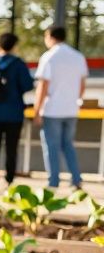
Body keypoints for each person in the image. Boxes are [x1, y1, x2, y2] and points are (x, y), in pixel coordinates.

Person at [0, 33, 35, 194]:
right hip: (14, 113)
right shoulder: (18, 64)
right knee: (12, 148)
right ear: (14, 46)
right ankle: (9, 182)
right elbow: (27, 85)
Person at [34, 26, 88, 191]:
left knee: (51, 146)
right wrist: (75, 99)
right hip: (71, 109)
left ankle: (53, 182)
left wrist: (37, 111)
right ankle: (76, 179)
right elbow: (82, 85)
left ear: (50, 36)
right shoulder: (78, 56)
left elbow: (43, 86)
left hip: (52, 110)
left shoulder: (49, 57)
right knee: (68, 145)